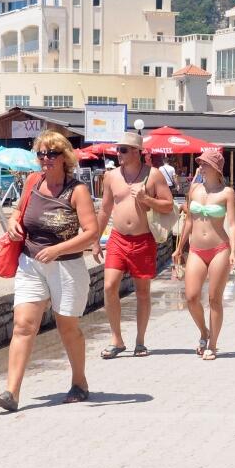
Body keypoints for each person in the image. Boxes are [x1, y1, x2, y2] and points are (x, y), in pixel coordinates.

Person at [0, 131, 101, 412]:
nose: (45, 159)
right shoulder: (32, 181)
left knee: (68, 327)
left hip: (66, 267)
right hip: (31, 263)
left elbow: (91, 233)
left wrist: (58, 250)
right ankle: (11, 392)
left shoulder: (77, 190)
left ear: (64, 157)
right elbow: (19, 211)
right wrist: (14, 222)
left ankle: (79, 382)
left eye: (51, 154)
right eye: (41, 154)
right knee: (23, 326)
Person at [91, 131, 174, 358]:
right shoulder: (111, 177)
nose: (119, 153)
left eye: (124, 149)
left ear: (138, 152)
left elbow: (168, 206)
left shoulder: (153, 175)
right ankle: (116, 339)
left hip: (143, 239)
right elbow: (105, 209)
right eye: (118, 149)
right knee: (109, 286)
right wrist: (96, 240)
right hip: (118, 238)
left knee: (142, 293)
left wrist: (146, 199)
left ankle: (140, 341)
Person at [172, 150, 235, 360]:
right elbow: (189, 221)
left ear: (216, 168)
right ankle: (203, 331)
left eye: (205, 164)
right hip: (196, 250)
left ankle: (213, 344)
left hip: (220, 248)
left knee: (214, 298)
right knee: (191, 297)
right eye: (200, 163)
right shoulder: (194, 189)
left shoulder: (227, 192)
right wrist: (179, 247)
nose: (201, 166)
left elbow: (233, 225)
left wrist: (234, 252)